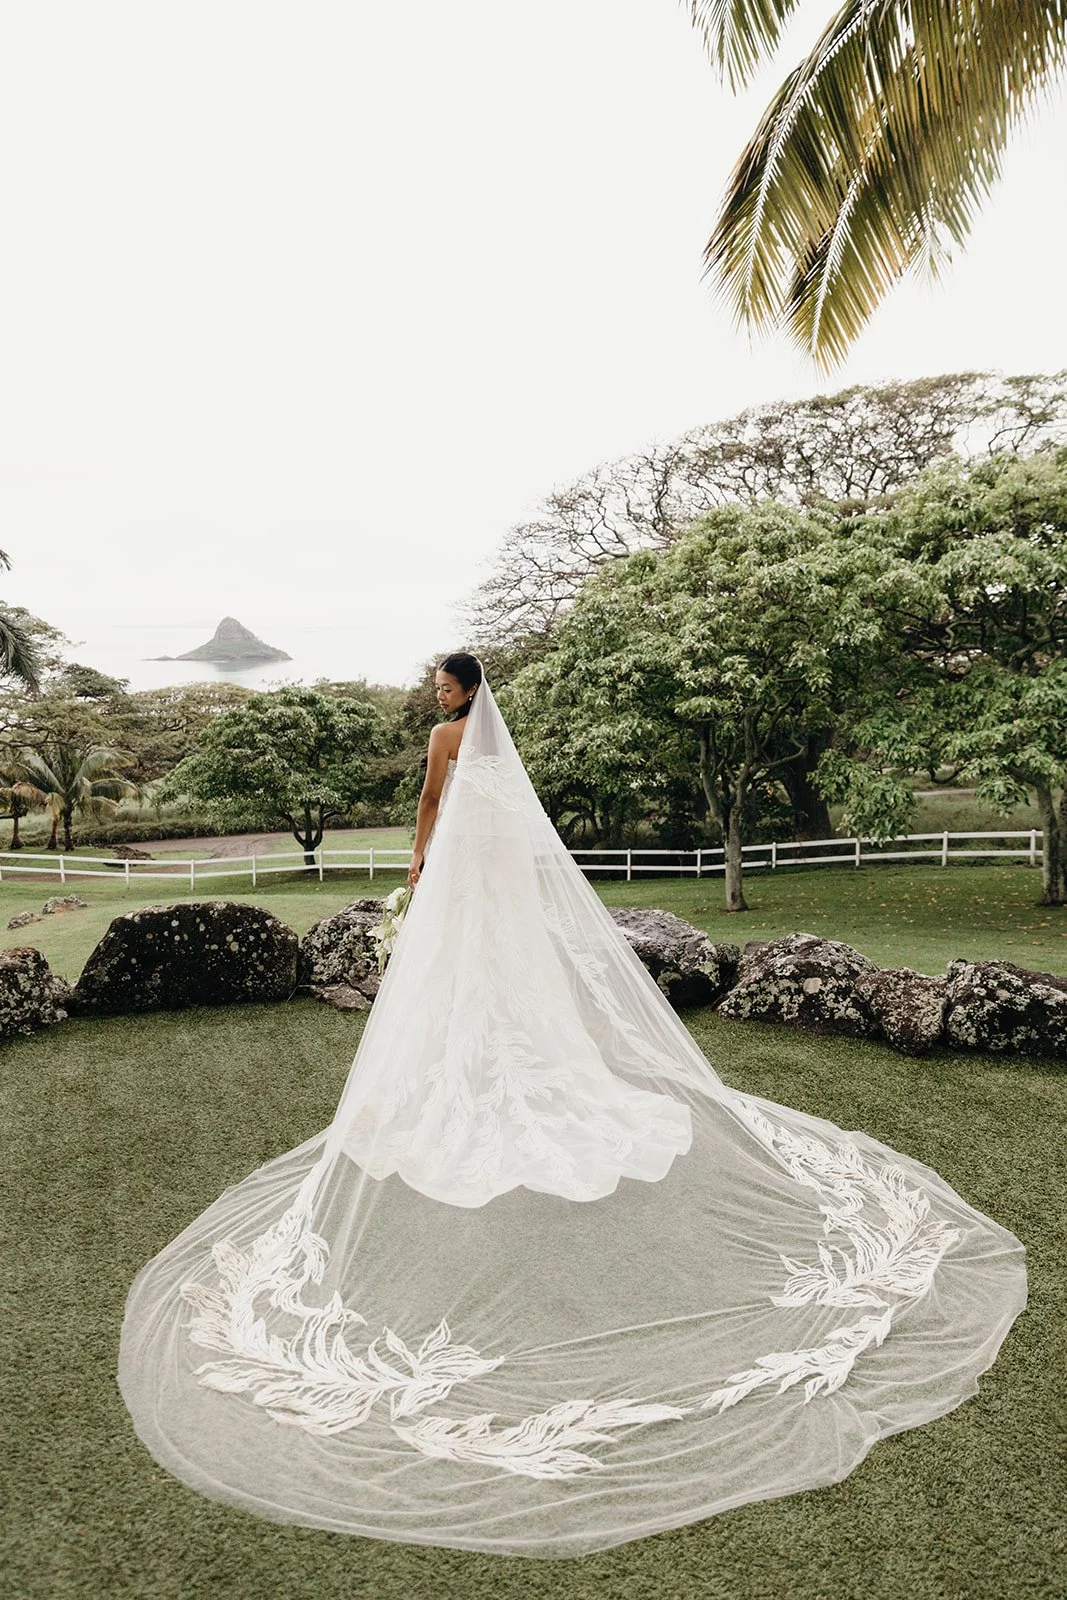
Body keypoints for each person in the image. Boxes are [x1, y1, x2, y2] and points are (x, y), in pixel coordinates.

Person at [118, 653, 1027, 1558]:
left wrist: (419, 861)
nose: (438, 694)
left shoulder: (446, 740)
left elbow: (432, 809)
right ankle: (519, 1072)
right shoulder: (504, 754)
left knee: (463, 997)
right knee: (513, 994)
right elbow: (520, 835)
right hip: (500, 894)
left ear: (462, 690)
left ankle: (475, 1084)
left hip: (460, 889)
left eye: (444, 683)